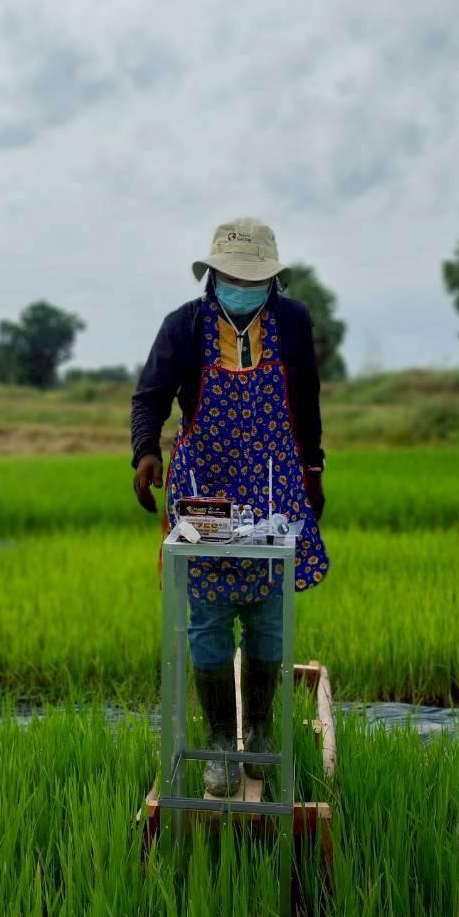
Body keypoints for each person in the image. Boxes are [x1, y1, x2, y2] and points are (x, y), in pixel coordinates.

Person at [131, 218, 329, 796]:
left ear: (272, 280)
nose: (243, 286)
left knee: (269, 609)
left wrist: (313, 470)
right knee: (210, 614)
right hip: (206, 487)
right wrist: (145, 452)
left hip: (273, 481)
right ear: (212, 274)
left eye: (255, 278)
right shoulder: (183, 326)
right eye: (232, 276)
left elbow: (307, 400)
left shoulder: (292, 324)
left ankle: (261, 732)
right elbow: (150, 396)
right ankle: (221, 741)